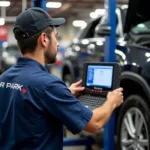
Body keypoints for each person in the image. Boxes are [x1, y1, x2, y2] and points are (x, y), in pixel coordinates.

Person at [0, 7, 123, 150]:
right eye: (56, 36)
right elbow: (94, 124)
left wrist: (64, 94)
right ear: (44, 39)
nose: (58, 43)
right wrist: (112, 101)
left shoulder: (4, 79)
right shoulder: (49, 85)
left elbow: (29, 103)